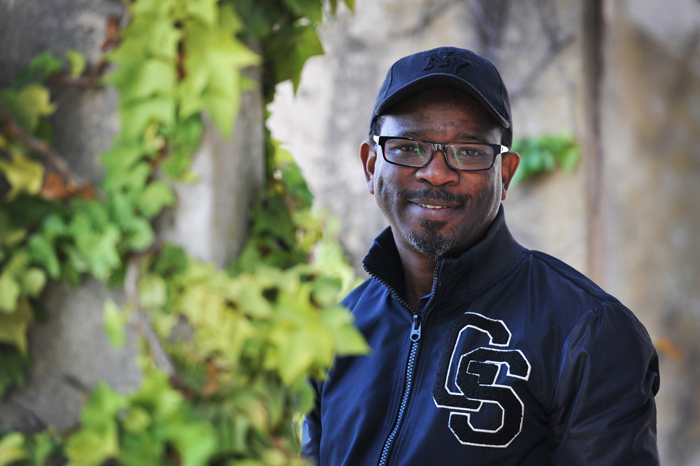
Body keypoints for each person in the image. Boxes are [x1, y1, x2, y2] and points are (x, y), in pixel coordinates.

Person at [301, 46, 660, 465]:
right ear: (370, 166)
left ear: (504, 175)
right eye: (409, 146)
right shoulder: (334, 332)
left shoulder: (587, 332)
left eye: (469, 151)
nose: (436, 172)